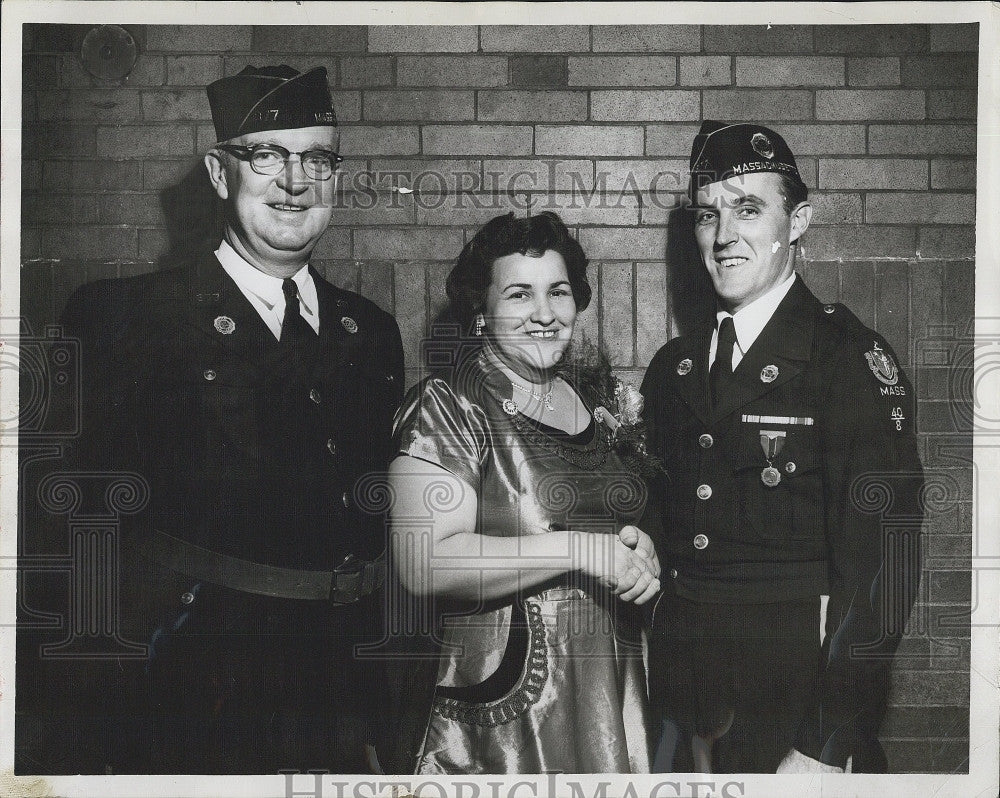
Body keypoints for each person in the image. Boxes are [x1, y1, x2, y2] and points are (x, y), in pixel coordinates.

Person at [50, 65, 404, 773]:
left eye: (317, 159)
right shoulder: (125, 317)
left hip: (341, 687)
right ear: (219, 174)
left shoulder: (371, 331)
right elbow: (82, 529)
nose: (295, 183)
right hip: (193, 688)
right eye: (267, 155)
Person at [641, 121, 924, 774]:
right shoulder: (674, 369)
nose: (723, 236)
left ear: (798, 221)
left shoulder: (846, 360)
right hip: (685, 720)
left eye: (748, 209)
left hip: (794, 725)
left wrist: (826, 743)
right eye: (707, 215)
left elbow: (884, 567)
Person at [382, 211, 659, 774]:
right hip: (511, 709)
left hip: (610, 685)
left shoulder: (595, 403)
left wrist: (639, 553)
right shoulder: (450, 403)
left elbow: (609, 533)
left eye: (558, 292)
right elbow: (422, 559)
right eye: (518, 294)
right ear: (481, 314)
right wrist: (579, 550)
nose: (543, 313)